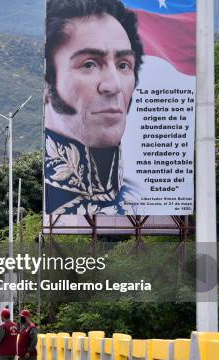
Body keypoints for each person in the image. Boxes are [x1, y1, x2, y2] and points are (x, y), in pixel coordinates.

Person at [44, 0, 144, 215]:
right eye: (89, 64)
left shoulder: (141, 199)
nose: (114, 85)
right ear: (48, 82)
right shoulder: (51, 203)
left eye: (123, 65)